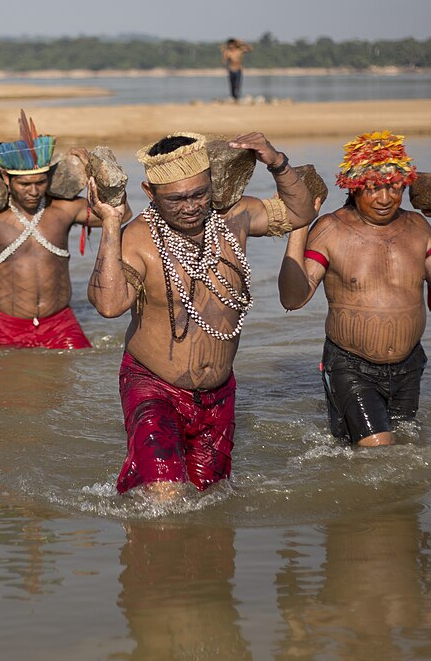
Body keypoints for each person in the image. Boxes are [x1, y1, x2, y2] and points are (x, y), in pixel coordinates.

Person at [87, 131, 315, 500]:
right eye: (176, 199)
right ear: (150, 192)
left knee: (210, 503)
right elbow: (110, 306)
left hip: (218, 393)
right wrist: (111, 223)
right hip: (153, 385)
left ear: (211, 182)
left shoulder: (234, 217)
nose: (191, 206)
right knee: (165, 495)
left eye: (199, 193)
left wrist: (277, 162)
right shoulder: (137, 238)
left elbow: (300, 213)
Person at [277, 130, 431, 447]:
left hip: (409, 366)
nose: (385, 198)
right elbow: (293, 299)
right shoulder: (330, 230)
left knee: (399, 453)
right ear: (353, 187)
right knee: (381, 452)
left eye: (393, 187)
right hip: (351, 368)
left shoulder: (418, 227)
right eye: (373, 188)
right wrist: (299, 226)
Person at [0, 113, 128, 349]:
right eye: (25, 184)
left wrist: (95, 175)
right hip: (8, 326)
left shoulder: (62, 209)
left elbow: (120, 214)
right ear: (8, 180)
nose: (33, 191)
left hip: (60, 323)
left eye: (40, 183)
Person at [221, 38, 254, 103]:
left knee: (238, 85)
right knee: (232, 85)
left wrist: (242, 42)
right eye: (230, 44)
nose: (231, 46)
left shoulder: (239, 50)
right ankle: (234, 98)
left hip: (238, 70)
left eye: (232, 44)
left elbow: (251, 48)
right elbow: (224, 61)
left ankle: (237, 97)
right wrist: (224, 54)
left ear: (235, 44)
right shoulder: (228, 52)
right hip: (231, 70)